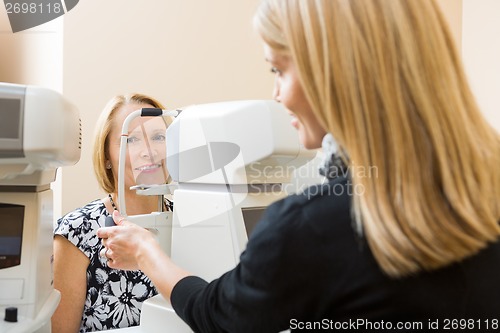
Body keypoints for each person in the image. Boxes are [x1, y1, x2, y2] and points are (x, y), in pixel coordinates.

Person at [97, 0, 500, 332]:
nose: (277, 95)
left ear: (333, 72)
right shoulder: (483, 193)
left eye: (279, 70)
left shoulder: (312, 226)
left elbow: (219, 316)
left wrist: (147, 253)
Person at [52, 93, 173, 333]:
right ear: (106, 156)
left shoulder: (190, 220)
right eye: (132, 140)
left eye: (158, 137)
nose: (149, 151)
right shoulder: (77, 232)